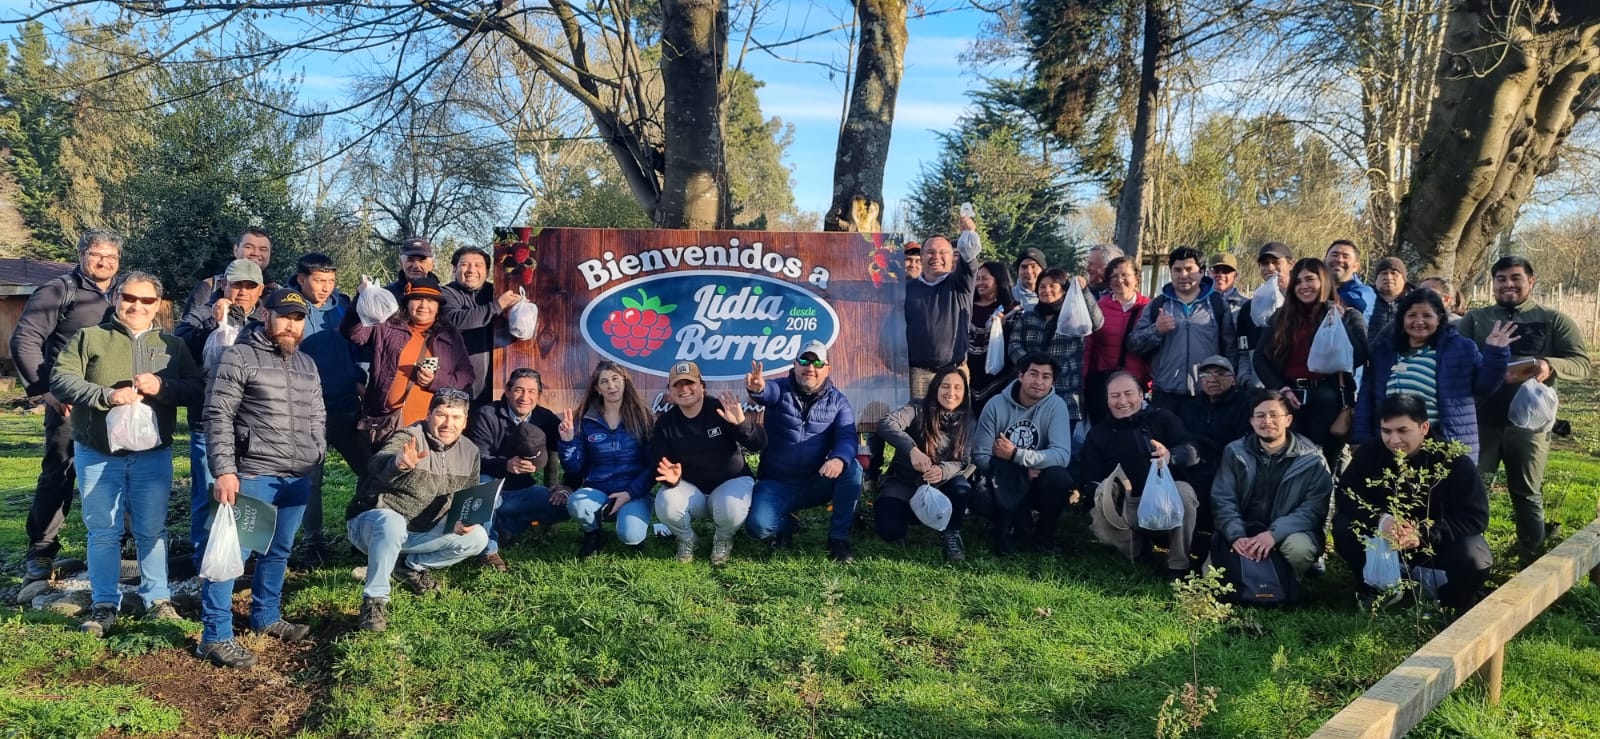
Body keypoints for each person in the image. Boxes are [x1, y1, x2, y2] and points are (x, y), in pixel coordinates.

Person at [50, 271, 204, 635]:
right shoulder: (90, 337)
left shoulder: (172, 346)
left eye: (146, 300)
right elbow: (61, 379)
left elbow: (195, 387)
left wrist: (164, 386)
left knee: (152, 530)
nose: (137, 306)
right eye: (129, 298)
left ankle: (158, 598)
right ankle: (104, 603)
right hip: (98, 453)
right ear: (117, 299)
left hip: (152, 455)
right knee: (103, 531)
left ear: (158, 305)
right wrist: (105, 395)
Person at [196, 288, 326, 668]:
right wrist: (224, 470)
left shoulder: (306, 364)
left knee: (278, 551)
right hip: (252, 473)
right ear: (266, 315)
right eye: (283, 315)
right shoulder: (238, 356)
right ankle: (215, 635)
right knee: (231, 555)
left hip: (296, 476)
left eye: (298, 318)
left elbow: (317, 414)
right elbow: (217, 415)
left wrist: (317, 449)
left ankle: (266, 616)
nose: (290, 325)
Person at [1458, 256, 1590, 558]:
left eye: (1516, 278)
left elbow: (1581, 364)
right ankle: (1470, 554)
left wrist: (1549, 364)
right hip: (1480, 421)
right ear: (1492, 284)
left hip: (1529, 424)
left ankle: (1531, 555)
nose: (1508, 284)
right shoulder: (1476, 320)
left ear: (1531, 281)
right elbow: (1455, 358)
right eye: (1501, 278)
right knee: (1473, 488)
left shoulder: (1553, 319)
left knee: (1527, 492)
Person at [12, 229, 120, 582]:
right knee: (59, 471)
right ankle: (41, 550)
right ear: (81, 255)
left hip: (117, 401)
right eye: (96, 255)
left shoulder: (124, 292)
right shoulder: (59, 290)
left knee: (125, 470)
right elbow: (25, 339)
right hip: (69, 403)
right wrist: (46, 390)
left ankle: (128, 544)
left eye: (112, 257)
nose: (104, 262)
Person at [347, 390, 488, 632]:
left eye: (456, 417)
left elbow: (468, 495)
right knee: (392, 523)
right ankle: (375, 600)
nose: (448, 424)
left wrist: (461, 520)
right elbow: (377, 463)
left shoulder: (471, 452)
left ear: (465, 421)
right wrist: (398, 464)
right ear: (428, 414)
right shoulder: (408, 437)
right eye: (441, 415)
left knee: (478, 538)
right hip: (374, 525)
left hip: (421, 531)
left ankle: (410, 566)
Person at [1335, 394, 1492, 611]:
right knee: (1344, 527)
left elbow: (1476, 517)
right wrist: (1381, 520)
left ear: (1424, 427)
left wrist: (1422, 534)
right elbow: (1346, 493)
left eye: (1403, 431)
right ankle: (1372, 585)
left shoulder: (1452, 461)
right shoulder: (1371, 452)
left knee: (1475, 557)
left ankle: (1450, 600)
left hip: (1435, 543)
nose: (1394, 440)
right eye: (1386, 431)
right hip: (1385, 539)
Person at [176, 258, 267, 568]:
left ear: (260, 290)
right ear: (224, 285)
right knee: (208, 492)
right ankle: (204, 559)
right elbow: (182, 343)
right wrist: (214, 324)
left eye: (249, 286)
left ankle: (243, 560)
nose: (242, 291)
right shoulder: (202, 312)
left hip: (253, 425)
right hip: (208, 422)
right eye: (236, 284)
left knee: (250, 494)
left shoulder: (267, 319)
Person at [1353, 288, 1513, 463]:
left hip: (1442, 441)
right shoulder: (1384, 351)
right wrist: (1360, 439)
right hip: (1392, 442)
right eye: (1412, 315)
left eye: (1427, 316)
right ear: (1402, 319)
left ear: (1440, 319)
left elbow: (1485, 386)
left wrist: (1496, 353)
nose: (1419, 321)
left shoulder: (1460, 348)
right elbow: (1367, 396)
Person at [745, 341, 862, 563]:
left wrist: (838, 458)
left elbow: (847, 438)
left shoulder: (839, 402)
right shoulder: (780, 388)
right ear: (794, 365)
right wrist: (757, 389)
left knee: (852, 468)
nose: (811, 367)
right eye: (805, 361)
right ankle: (786, 523)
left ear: (827, 368)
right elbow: (766, 393)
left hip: (816, 481)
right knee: (758, 528)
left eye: (818, 362)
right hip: (776, 483)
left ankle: (838, 538)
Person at [1080, 372, 1201, 579]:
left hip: (1165, 502)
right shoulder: (1098, 434)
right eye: (1115, 396)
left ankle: (1178, 564)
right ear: (1107, 400)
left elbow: (1193, 451)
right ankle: (1135, 551)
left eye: (1129, 394)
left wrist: (1170, 455)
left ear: (1141, 395)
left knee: (1185, 492)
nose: (1123, 401)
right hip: (1127, 506)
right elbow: (1088, 477)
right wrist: (1106, 492)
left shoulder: (1163, 418)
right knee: (1102, 491)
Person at [291, 252, 369, 565]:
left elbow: (359, 346)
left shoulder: (344, 308)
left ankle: (360, 530)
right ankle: (314, 541)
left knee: (370, 469)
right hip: (307, 410)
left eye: (331, 281)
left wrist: (359, 378)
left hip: (346, 405)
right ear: (301, 279)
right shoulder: (290, 309)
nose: (326, 287)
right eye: (319, 280)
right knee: (312, 480)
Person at [1252, 258, 1368, 468]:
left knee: (1322, 465)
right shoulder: (1281, 317)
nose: (1304, 286)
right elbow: (1260, 357)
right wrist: (1281, 388)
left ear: (1323, 281)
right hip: (1289, 398)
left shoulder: (1349, 315)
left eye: (1310, 280)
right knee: (1288, 462)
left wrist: (1341, 327)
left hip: (1328, 401)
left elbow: (1358, 356)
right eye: (1298, 281)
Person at [1210, 389, 1332, 584]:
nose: (1267, 421)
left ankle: (1286, 583)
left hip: (1288, 532)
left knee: (1299, 551)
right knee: (1209, 573)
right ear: (1251, 421)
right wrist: (1236, 535)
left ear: (1288, 420)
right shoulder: (1234, 452)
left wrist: (1273, 535)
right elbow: (1223, 498)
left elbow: (1313, 510)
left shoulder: (1312, 459)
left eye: (1274, 415)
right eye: (1260, 415)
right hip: (1245, 528)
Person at [652, 361, 766, 565]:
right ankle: (687, 539)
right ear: (670, 390)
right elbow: (660, 465)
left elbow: (759, 444)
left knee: (732, 508)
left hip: (729, 482)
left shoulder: (720, 410)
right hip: (692, 489)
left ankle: (723, 539)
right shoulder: (665, 423)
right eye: (677, 385)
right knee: (665, 502)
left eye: (690, 383)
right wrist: (671, 480)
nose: (684, 389)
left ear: (702, 386)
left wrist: (742, 425)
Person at [344, 275, 473, 442]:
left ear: (438, 307)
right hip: (388, 424)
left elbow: (467, 375)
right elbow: (354, 334)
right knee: (389, 466)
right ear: (406, 303)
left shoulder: (450, 337)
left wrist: (436, 380)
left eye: (431, 301)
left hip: (431, 428)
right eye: (417, 299)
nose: (424, 306)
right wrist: (362, 298)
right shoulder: (387, 328)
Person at [972, 351, 1074, 556]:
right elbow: (980, 455)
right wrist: (1018, 472)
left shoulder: (1057, 406)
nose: (1039, 381)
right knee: (979, 495)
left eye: (1046, 377)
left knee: (1059, 478)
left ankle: (1045, 534)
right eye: (1033, 374)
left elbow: (1062, 455)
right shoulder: (995, 405)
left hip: (1038, 479)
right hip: (1002, 480)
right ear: (1020, 375)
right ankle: (1004, 525)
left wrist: (1016, 455)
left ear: (1052, 381)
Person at [467, 367, 565, 570]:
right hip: (492, 485)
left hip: (523, 491)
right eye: (519, 390)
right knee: (484, 491)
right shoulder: (486, 415)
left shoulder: (544, 417)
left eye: (531, 392)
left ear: (539, 395)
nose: (524, 397)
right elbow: (475, 460)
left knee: (566, 505)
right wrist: (506, 465)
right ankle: (489, 550)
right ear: (507, 390)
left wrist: (565, 485)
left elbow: (565, 451)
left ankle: (505, 526)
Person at [876, 367, 975, 561]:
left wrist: (942, 471)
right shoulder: (917, 408)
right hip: (904, 483)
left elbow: (964, 461)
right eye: (945, 386)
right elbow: (886, 424)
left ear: (965, 393)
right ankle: (915, 515)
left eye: (957, 388)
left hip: (942, 486)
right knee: (889, 531)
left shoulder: (969, 421)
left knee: (961, 487)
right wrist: (912, 450)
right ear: (936, 387)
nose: (951, 393)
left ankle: (951, 531)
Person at [558, 360, 655, 557]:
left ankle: (632, 527)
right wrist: (568, 442)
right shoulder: (585, 420)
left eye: (615, 379)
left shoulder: (643, 417)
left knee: (631, 536)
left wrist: (630, 493)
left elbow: (652, 465)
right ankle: (592, 532)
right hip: (598, 489)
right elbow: (574, 468)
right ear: (597, 388)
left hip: (633, 490)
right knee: (577, 503)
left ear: (625, 382)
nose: (611, 386)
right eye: (604, 382)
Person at [1128, 246, 1237, 411]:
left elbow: (1230, 348)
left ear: (1201, 272)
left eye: (1189, 269)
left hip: (1207, 394)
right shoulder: (1157, 305)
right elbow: (1134, 344)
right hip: (1166, 395)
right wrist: (1156, 330)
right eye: (1177, 270)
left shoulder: (1217, 305)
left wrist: (1228, 381)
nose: (1183, 275)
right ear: (1170, 272)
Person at [1007, 267, 1105, 430]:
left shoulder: (1073, 317)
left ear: (1064, 290)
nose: (1047, 290)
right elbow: (1014, 345)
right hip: (1030, 390)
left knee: (1059, 444)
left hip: (1065, 392)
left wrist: (1085, 291)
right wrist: (1030, 367)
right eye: (1042, 286)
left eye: (1053, 286)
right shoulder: (1027, 317)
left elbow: (1097, 323)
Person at [905, 215, 980, 400]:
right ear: (921, 257)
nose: (936, 257)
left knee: (953, 426)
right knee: (919, 426)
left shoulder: (961, 283)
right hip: (919, 376)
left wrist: (968, 233)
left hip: (955, 374)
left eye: (942, 252)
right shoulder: (906, 289)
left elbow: (969, 255)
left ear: (952, 257)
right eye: (930, 252)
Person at [1175, 355, 1253, 525]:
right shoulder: (1189, 407)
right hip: (1194, 462)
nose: (1212, 379)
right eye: (1206, 375)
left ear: (1233, 380)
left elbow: (1244, 443)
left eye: (1220, 373)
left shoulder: (1245, 405)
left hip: (1227, 464)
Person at [442, 245, 521, 402]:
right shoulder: (445, 293)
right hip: (457, 385)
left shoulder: (497, 292)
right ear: (454, 269)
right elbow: (456, 319)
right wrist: (497, 306)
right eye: (465, 264)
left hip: (497, 385)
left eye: (478, 265)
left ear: (487, 271)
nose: (471, 270)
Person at [1083, 255, 1152, 424]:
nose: (1119, 280)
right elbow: (1088, 348)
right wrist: (1083, 382)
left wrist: (1151, 385)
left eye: (1124, 275)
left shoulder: (1149, 307)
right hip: (1104, 384)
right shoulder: (1099, 308)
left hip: (1137, 385)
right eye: (1113, 276)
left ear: (1136, 278)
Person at [1235, 242, 1294, 389]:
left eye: (1276, 262)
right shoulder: (1248, 309)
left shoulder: (1300, 303)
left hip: (1292, 390)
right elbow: (1243, 351)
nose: (1270, 268)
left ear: (1291, 264)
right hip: (1258, 391)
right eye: (1264, 263)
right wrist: (1246, 379)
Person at [967, 260, 1020, 406]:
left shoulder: (1012, 310)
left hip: (1000, 381)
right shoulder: (966, 308)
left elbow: (1015, 345)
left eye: (985, 278)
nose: (980, 283)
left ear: (998, 279)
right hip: (967, 376)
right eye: (977, 279)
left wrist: (1003, 328)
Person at [1324, 239, 1375, 324]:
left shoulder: (1365, 292)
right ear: (1324, 262)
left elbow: (1357, 302)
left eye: (1345, 256)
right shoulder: (1317, 288)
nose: (1339, 260)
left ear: (1356, 266)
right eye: (1334, 255)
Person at [1367, 257, 1411, 340]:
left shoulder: (1414, 301)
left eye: (1394, 273)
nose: (1388, 277)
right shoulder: (1364, 298)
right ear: (1376, 279)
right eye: (1384, 273)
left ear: (1404, 279)